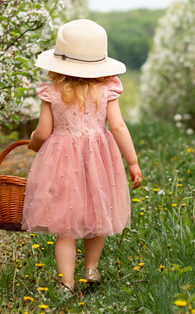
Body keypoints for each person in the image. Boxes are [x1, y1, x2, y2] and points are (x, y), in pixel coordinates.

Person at [22, 19, 143, 293]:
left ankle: (66, 283)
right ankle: (91, 268)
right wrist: (132, 162)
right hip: (99, 157)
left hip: (61, 160)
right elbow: (119, 127)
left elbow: (43, 131)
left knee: (65, 224)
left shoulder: (51, 92)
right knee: (96, 213)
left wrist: (33, 142)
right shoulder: (107, 89)